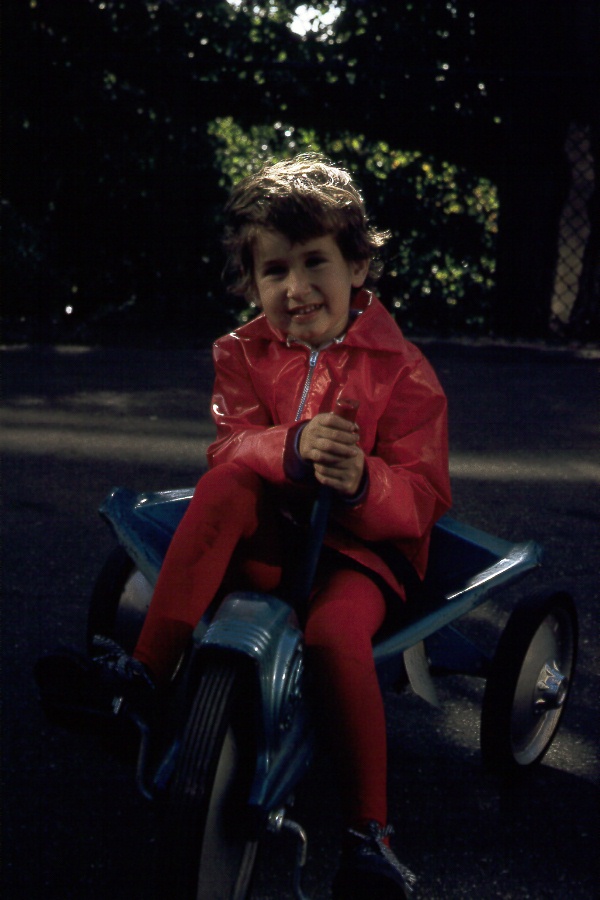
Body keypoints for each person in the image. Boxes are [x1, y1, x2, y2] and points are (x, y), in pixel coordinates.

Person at [41, 154, 451, 899]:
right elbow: (231, 445)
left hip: (358, 555)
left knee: (335, 636)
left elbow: (423, 497)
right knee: (228, 480)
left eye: (315, 262)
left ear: (359, 267)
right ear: (251, 283)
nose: (296, 288)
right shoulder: (242, 354)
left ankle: (369, 836)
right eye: (275, 270)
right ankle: (145, 675)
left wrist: (364, 480)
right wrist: (290, 448)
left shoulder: (403, 370)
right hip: (274, 537)